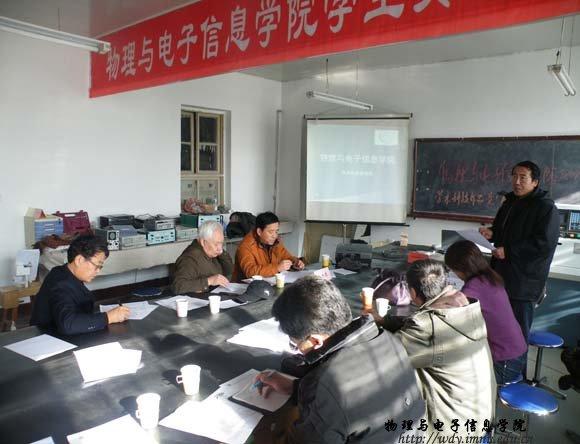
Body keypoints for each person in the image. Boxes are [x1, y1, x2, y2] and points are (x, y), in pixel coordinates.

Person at [254, 275, 425, 444]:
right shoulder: (386, 338)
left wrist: (261, 428)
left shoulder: (327, 383)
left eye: (295, 344)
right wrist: (296, 387)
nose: (297, 350)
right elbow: (356, 395)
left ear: (316, 341)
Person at [385, 259, 495, 439]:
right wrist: (385, 321)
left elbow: (387, 353)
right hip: (479, 420)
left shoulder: (427, 327)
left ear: (412, 293)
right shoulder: (466, 308)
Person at [479, 160, 559, 343]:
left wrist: (509, 251)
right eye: (514, 176)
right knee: (497, 330)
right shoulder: (510, 203)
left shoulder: (545, 208)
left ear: (535, 182)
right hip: (501, 276)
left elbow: (544, 243)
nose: (516, 182)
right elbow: (502, 231)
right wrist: (492, 233)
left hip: (524, 283)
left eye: (523, 177)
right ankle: (499, 362)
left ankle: (517, 363)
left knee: (517, 334)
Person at [445, 240, 528, 384]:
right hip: (516, 355)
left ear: (461, 268)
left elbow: (452, 316)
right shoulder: (490, 277)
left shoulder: (473, 288)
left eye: (453, 270)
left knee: (453, 375)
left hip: (505, 364)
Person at [30, 235, 129, 335]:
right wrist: (108, 317)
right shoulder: (60, 284)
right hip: (48, 338)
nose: (98, 271)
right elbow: (68, 324)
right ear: (79, 260)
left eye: (100, 267)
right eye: (97, 266)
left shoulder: (63, 272)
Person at [233, 212, 304, 281]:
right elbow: (250, 272)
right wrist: (277, 268)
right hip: (245, 286)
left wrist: (295, 262)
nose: (274, 236)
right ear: (259, 232)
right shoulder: (246, 246)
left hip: (269, 282)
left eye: (276, 231)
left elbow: (286, 257)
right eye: (271, 232)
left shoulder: (276, 242)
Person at [171, 221, 233, 293]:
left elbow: (229, 271)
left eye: (221, 243)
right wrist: (209, 281)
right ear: (203, 242)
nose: (220, 248)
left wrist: (222, 253)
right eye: (216, 244)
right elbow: (178, 286)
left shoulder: (212, 252)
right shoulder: (190, 258)